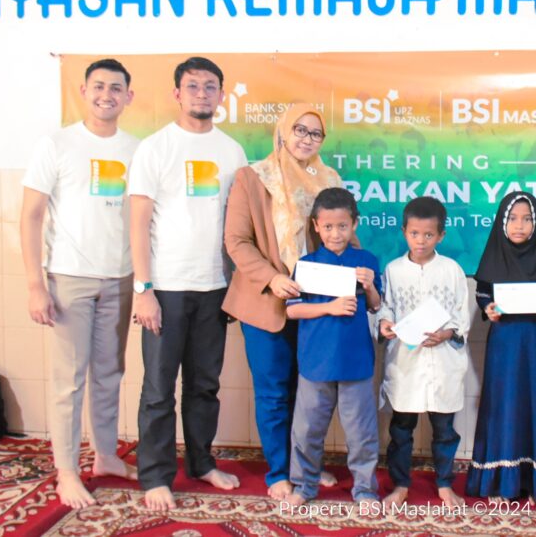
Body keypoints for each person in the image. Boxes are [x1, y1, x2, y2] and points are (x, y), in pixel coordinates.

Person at [129, 56, 248, 511]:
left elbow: (237, 226)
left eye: (209, 86)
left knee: (204, 386)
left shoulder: (232, 151)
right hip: (166, 288)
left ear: (221, 94)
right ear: (177, 94)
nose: (202, 93)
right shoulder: (155, 148)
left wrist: (235, 287)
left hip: (214, 287)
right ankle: (155, 476)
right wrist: (144, 290)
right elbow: (138, 224)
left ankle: (201, 463)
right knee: (159, 389)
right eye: (193, 86)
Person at [21, 58, 139, 509]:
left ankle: (105, 456)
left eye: (116, 88)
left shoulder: (136, 149)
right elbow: (31, 216)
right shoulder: (56, 144)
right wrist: (36, 284)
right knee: (68, 381)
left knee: (109, 374)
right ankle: (67, 472)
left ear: (129, 97)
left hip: (120, 277)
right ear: (84, 92)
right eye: (99, 86)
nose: (107, 95)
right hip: (69, 277)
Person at [222, 103, 343, 501]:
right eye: (300, 130)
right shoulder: (254, 177)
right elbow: (237, 241)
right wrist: (272, 278)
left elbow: (340, 235)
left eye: (315, 133)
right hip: (266, 302)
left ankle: (305, 466)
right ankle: (279, 472)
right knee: (274, 392)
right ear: (283, 131)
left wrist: (359, 274)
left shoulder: (329, 180)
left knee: (310, 393)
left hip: (316, 304)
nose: (307, 139)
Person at [285, 187, 383, 507]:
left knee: (361, 433)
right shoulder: (306, 264)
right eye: (327, 226)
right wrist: (330, 307)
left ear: (354, 224)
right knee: (307, 430)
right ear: (316, 226)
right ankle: (304, 486)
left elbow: (375, 305)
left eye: (342, 226)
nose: (335, 233)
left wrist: (369, 285)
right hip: (315, 362)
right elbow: (292, 311)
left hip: (356, 361)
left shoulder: (366, 261)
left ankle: (365, 490)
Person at [466, 192, 536, 505]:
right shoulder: (494, 255)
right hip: (505, 345)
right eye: (512, 218)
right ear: (501, 222)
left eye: (527, 219)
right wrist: (489, 309)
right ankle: (501, 481)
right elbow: (483, 294)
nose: (519, 225)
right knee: (506, 406)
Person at [377, 196, 471, 510]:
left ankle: (445, 484)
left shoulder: (452, 270)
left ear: (441, 235)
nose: (421, 241)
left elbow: (461, 314)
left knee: (444, 431)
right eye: (415, 233)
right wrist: (385, 323)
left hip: (443, 362)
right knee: (401, 429)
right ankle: (401, 484)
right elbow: (385, 307)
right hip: (406, 364)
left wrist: (448, 333)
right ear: (404, 232)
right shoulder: (393, 270)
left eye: (429, 235)